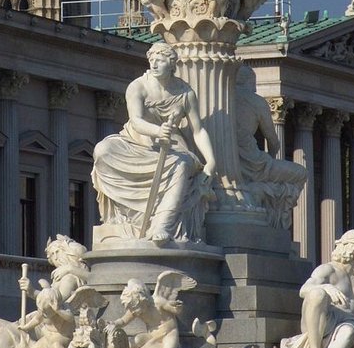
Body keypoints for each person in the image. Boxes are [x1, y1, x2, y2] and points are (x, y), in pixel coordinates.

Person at [92, 43, 217, 244]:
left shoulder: (185, 93)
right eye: (152, 60)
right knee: (102, 150)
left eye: (160, 60)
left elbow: (198, 130)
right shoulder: (138, 87)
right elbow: (136, 121)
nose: (154, 64)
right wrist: (158, 131)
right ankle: (129, 215)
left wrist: (211, 162)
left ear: (172, 63)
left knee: (182, 164)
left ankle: (162, 225)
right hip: (136, 142)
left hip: (172, 147)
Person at [234, 64, 307, 227]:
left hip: (232, 164)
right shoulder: (256, 101)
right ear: (250, 81)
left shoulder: (221, 98)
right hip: (255, 164)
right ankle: (277, 221)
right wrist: (271, 159)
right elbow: (273, 141)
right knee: (300, 173)